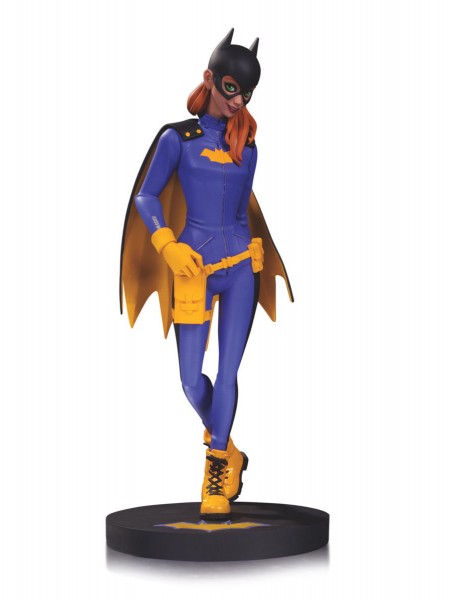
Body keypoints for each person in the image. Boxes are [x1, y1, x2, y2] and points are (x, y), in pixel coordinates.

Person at [120, 29, 293, 520]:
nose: (238, 101)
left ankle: (216, 466)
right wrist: (165, 243)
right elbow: (147, 195)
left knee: (229, 371)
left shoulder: (248, 147)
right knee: (190, 380)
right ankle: (230, 447)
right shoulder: (177, 139)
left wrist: (257, 251)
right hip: (191, 268)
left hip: (240, 269)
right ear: (211, 79)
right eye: (232, 88)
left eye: (247, 93)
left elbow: (242, 210)